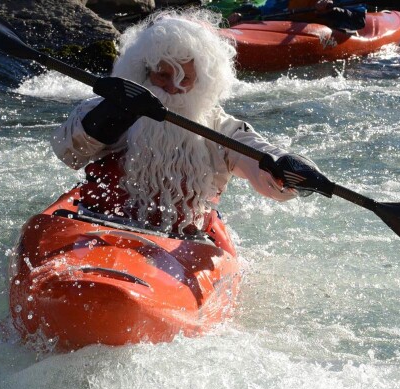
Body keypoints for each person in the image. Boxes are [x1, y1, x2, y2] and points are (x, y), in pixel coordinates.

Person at [52, 9, 333, 235]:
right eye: (163, 76)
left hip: (181, 240)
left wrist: (283, 164)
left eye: (184, 79)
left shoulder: (217, 126)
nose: (174, 88)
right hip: (97, 223)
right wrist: (113, 115)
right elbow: (67, 151)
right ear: (144, 71)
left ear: (202, 80)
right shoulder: (110, 108)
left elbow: (253, 152)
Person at [228, 0, 366, 32]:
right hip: (292, 30)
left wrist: (332, 10)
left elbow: (358, 21)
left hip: (330, 31)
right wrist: (244, 15)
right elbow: (268, 12)